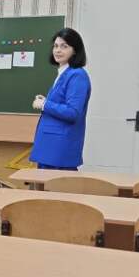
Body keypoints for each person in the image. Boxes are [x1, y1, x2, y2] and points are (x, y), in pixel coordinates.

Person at [30, 28, 91, 171]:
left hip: (59, 150)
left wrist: (45, 104)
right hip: (51, 148)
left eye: (64, 46)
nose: (58, 50)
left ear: (75, 50)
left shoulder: (77, 75)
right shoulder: (64, 72)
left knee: (56, 185)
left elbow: (72, 112)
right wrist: (47, 101)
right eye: (56, 46)